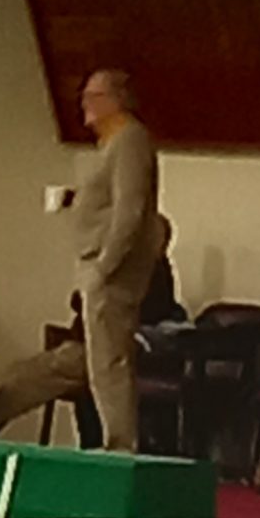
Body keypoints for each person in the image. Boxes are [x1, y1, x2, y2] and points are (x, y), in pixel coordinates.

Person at [0, 217, 184, 445]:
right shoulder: (133, 269)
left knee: (47, 369)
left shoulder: (154, 274)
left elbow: (116, 309)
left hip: (111, 351)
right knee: (26, 370)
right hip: (89, 343)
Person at [71, 69, 165, 452]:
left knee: (110, 364)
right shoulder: (111, 144)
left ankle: (120, 446)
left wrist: (104, 266)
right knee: (97, 364)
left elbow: (130, 210)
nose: (85, 104)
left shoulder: (130, 140)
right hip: (98, 266)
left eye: (93, 96)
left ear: (116, 100)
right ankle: (114, 442)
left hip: (113, 272)